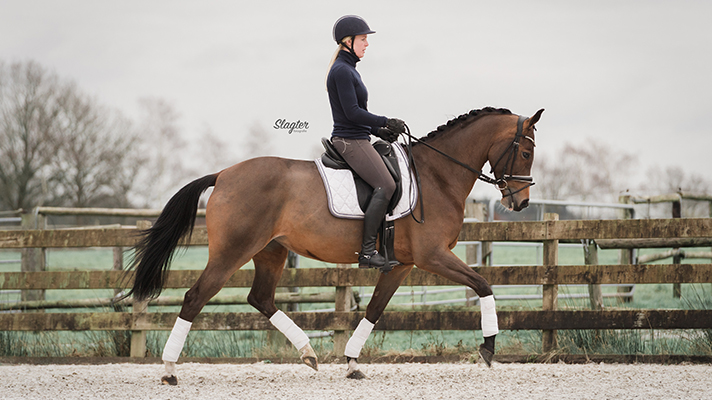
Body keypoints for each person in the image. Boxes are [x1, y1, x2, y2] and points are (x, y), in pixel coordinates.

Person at [326, 15, 406, 270]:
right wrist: (385, 120)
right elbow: (351, 113)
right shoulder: (341, 71)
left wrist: (380, 131)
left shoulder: (349, 70)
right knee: (386, 183)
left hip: (359, 136)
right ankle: (368, 252)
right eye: (363, 39)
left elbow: (358, 113)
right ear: (348, 42)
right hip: (349, 141)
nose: (367, 44)